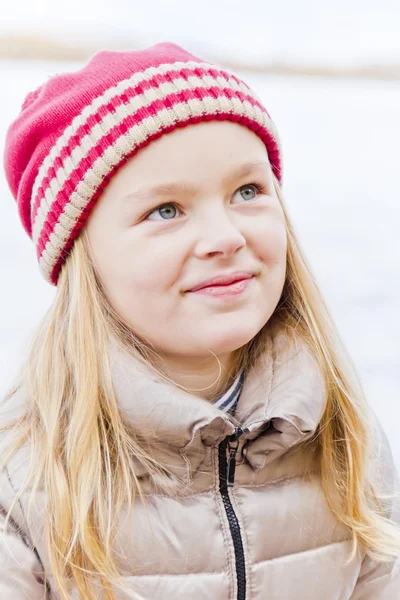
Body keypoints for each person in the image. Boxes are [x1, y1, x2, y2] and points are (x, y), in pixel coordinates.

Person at [0, 41, 399, 600]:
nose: (225, 237)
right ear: (81, 259)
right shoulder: (23, 480)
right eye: (166, 210)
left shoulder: (339, 432)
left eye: (247, 191)